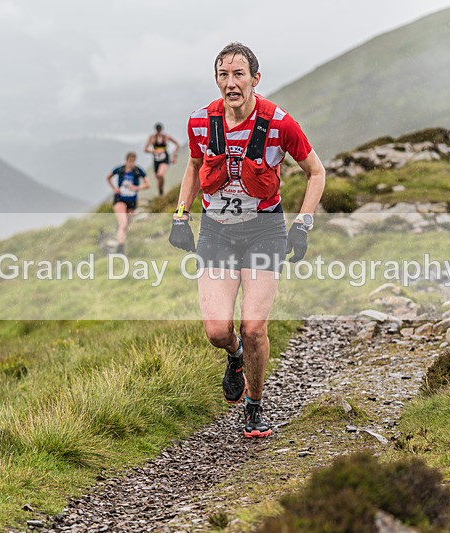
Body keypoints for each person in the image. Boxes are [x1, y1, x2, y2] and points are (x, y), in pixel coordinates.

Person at [168, 42, 325, 438]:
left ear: (255, 79)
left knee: (254, 327)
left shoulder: (279, 124)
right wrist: (181, 214)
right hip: (217, 231)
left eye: (239, 74)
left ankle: (254, 405)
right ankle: (235, 354)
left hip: (264, 230)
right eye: (223, 75)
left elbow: (316, 172)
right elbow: (194, 165)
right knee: (217, 331)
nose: (230, 83)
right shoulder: (200, 122)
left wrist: (302, 224)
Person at [107, 151, 149, 255]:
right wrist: (114, 188)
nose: (131, 163)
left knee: (126, 226)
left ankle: (120, 241)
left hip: (132, 201)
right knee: (124, 223)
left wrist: (137, 187)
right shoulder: (120, 169)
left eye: (133, 161)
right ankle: (120, 249)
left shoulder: (138, 171)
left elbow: (147, 184)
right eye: (130, 161)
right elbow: (108, 177)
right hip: (120, 199)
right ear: (126, 160)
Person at [144, 123, 180, 196]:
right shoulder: (152, 137)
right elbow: (145, 149)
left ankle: (161, 193)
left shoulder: (166, 136)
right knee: (158, 178)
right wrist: (154, 151)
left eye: (159, 130)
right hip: (156, 159)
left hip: (164, 159)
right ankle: (161, 193)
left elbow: (177, 144)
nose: (159, 131)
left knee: (160, 174)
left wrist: (175, 156)